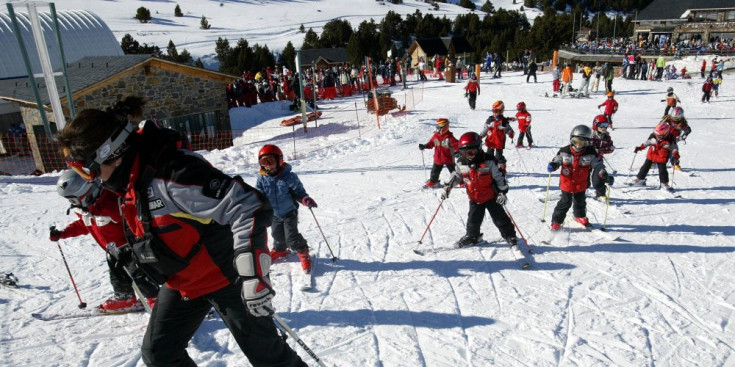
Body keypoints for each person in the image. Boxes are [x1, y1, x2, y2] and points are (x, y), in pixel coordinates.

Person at [56, 96, 306, 367]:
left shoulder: (172, 173)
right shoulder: (129, 180)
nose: (88, 179)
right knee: (159, 355)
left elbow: (248, 205)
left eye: (84, 170)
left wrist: (253, 275)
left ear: (110, 153)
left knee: (270, 358)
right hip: (183, 283)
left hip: (228, 278)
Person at [50, 170, 158, 312]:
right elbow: (85, 224)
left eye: (73, 199)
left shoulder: (113, 204)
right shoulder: (85, 209)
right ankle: (124, 298)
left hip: (131, 248)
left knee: (139, 275)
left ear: (87, 193)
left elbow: (136, 221)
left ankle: (155, 299)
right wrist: (63, 233)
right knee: (117, 275)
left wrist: (141, 242)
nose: (72, 204)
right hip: (112, 249)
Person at [440, 132, 518, 249]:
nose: (469, 156)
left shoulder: (489, 161)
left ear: (479, 148)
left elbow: (499, 177)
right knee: (473, 220)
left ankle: (510, 235)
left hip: (491, 196)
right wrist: (448, 187)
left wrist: (502, 192)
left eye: (471, 152)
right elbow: (456, 176)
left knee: (500, 218)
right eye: (464, 152)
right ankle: (473, 236)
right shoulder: (462, 162)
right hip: (474, 197)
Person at [255, 144, 316, 272]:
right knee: (277, 235)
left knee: (291, 237)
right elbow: (258, 194)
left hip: (289, 212)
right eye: (264, 162)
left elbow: (299, 192)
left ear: (279, 161)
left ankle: (304, 253)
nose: (268, 165)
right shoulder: (261, 178)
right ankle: (280, 250)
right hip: (274, 214)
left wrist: (305, 199)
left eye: (270, 161)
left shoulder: (289, 177)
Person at [547, 125, 611, 230]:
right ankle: (556, 221)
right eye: (576, 142)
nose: (579, 146)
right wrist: (553, 165)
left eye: (582, 143)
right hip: (566, 182)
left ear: (588, 142)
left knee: (580, 202)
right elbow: (557, 160)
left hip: (581, 183)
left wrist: (602, 172)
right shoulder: (564, 151)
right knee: (565, 202)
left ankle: (579, 216)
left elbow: (598, 164)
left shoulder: (590, 152)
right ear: (571, 139)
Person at [630, 121, 679, 192]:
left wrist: (675, 153)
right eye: (656, 135)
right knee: (645, 167)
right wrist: (640, 147)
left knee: (662, 170)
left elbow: (674, 147)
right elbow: (646, 143)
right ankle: (640, 179)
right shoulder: (653, 136)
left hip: (662, 156)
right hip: (652, 154)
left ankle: (664, 183)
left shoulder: (670, 139)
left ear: (665, 134)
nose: (657, 137)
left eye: (659, 136)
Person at [419, 118, 459, 188]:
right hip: (438, 159)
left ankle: (460, 181)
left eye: (441, 125)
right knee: (434, 172)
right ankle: (433, 182)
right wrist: (424, 146)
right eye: (438, 125)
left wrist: (458, 151)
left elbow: (456, 145)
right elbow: (431, 143)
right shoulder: (436, 136)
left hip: (448, 158)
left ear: (446, 126)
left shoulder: (449, 137)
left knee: (454, 171)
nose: (438, 128)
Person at [481, 101, 514, 175]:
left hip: (499, 142)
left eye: (496, 111)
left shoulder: (503, 121)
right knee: (489, 156)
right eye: (493, 111)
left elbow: (508, 128)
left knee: (498, 157)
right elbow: (485, 129)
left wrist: (510, 133)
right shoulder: (490, 120)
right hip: (490, 141)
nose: (494, 113)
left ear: (501, 111)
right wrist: (481, 136)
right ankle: (489, 170)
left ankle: (501, 166)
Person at [589, 116, 615, 200]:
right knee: (582, 177)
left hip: (598, 160)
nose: (604, 127)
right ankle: (572, 192)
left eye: (606, 125)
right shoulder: (590, 135)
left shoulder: (606, 137)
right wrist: (592, 148)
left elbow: (610, 147)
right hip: (586, 159)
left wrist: (607, 149)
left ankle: (600, 194)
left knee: (599, 177)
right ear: (595, 125)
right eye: (601, 125)